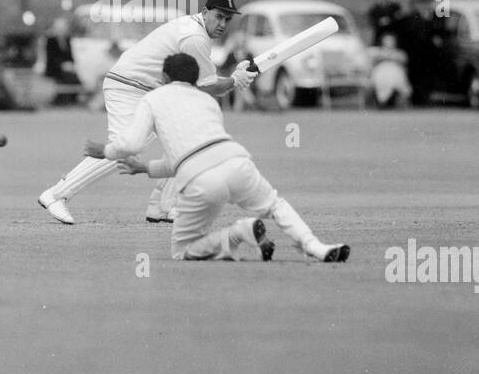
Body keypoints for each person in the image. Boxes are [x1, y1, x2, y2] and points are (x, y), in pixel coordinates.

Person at [85, 53, 349, 262]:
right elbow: (196, 152)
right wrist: (145, 169)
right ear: (196, 78)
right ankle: (317, 247)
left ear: (164, 76)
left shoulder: (152, 99)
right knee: (276, 205)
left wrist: (105, 151)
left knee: (183, 251)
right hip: (236, 162)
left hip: (200, 180)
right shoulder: (207, 101)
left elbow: (132, 144)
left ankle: (241, 232)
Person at [37, 0, 255, 226]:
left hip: (148, 91)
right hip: (127, 86)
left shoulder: (194, 30)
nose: (222, 24)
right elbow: (208, 86)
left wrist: (234, 77)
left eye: (227, 20)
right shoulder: (195, 37)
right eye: (219, 17)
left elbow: (205, 79)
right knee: (126, 149)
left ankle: (164, 206)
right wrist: (235, 80)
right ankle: (57, 194)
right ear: (205, 12)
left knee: (187, 140)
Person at [43, 17, 81, 105]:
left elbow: (70, 56)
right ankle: (64, 99)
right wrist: (62, 65)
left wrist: (71, 64)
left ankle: (68, 98)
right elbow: (51, 58)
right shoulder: (51, 40)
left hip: (67, 68)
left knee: (74, 77)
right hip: (54, 67)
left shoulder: (67, 40)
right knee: (70, 77)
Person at [369, 32, 412, 108]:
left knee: (395, 76)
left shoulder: (400, 53)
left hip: (396, 75)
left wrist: (388, 56)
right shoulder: (376, 51)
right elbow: (371, 56)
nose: (389, 42)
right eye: (387, 40)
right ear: (382, 41)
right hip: (381, 76)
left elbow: (403, 59)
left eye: (391, 40)